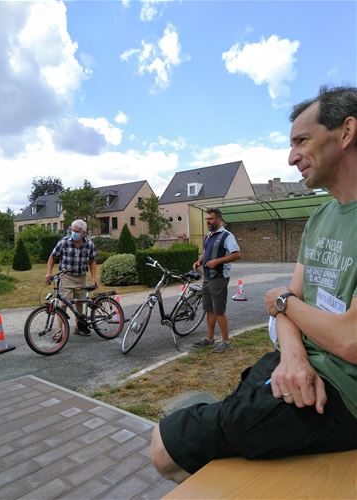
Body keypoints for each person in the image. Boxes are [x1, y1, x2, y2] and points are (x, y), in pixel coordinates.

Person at [151, 85, 357, 484]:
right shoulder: (320, 218)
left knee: (164, 446)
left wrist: (282, 301)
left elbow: (348, 339)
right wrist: (293, 355)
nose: (291, 156)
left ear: (346, 132)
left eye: (302, 140)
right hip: (298, 366)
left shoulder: (230, 234)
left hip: (339, 393)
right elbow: (288, 301)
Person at [192, 208, 241, 353]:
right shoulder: (209, 236)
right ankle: (209, 338)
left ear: (219, 219)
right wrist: (199, 261)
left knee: (219, 311)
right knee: (209, 309)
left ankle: (226, 342)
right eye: (207, 219)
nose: (208, 221)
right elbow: (206, 252)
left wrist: (218, 261)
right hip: (207, 278)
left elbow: (237, 254)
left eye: (211, 219)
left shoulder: (227, 236)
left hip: (219, 278)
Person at [46, 219, 98, 336]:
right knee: (63, 304)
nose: (73, 233)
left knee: (79, 303)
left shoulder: (89, 244)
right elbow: (52, 257)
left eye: (76, 231)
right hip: (66, 277)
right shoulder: (64, 242)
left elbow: (92, 261)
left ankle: (78, 328)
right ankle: (60, 332)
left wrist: (94, 278)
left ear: (84, 233)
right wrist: (48, 272)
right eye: (72, 230)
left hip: (81, 277)